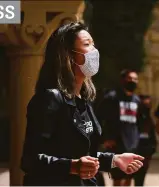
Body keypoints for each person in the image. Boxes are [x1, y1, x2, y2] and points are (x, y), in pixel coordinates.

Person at [20, 22, 144, 186]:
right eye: (87, 45)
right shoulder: (50, 99)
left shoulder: (83, 100)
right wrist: (72, 167)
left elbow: (83, 155)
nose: (95, 51)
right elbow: (30, 161)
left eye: (93, 44)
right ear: (69, 56)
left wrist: (115, 160)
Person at [97, 69, 143, 186]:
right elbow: (99, 118)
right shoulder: (112, 98)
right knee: (117, 179)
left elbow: (139, 122)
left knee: (129, 177)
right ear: (123, 80)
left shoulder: (137, 100)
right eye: (130, 78)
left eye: (135, 79)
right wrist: (105, 138)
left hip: (132, 144)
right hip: (116, 144)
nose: (132, 81)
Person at [134, 95, 157, 186]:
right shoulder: (135, 118)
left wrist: (152, 147)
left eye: (148, 104)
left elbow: (152, 135)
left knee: (141, 175)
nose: (147, 107)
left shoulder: (149, 119)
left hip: (146, 150)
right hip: (135, 148)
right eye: (144, 105)